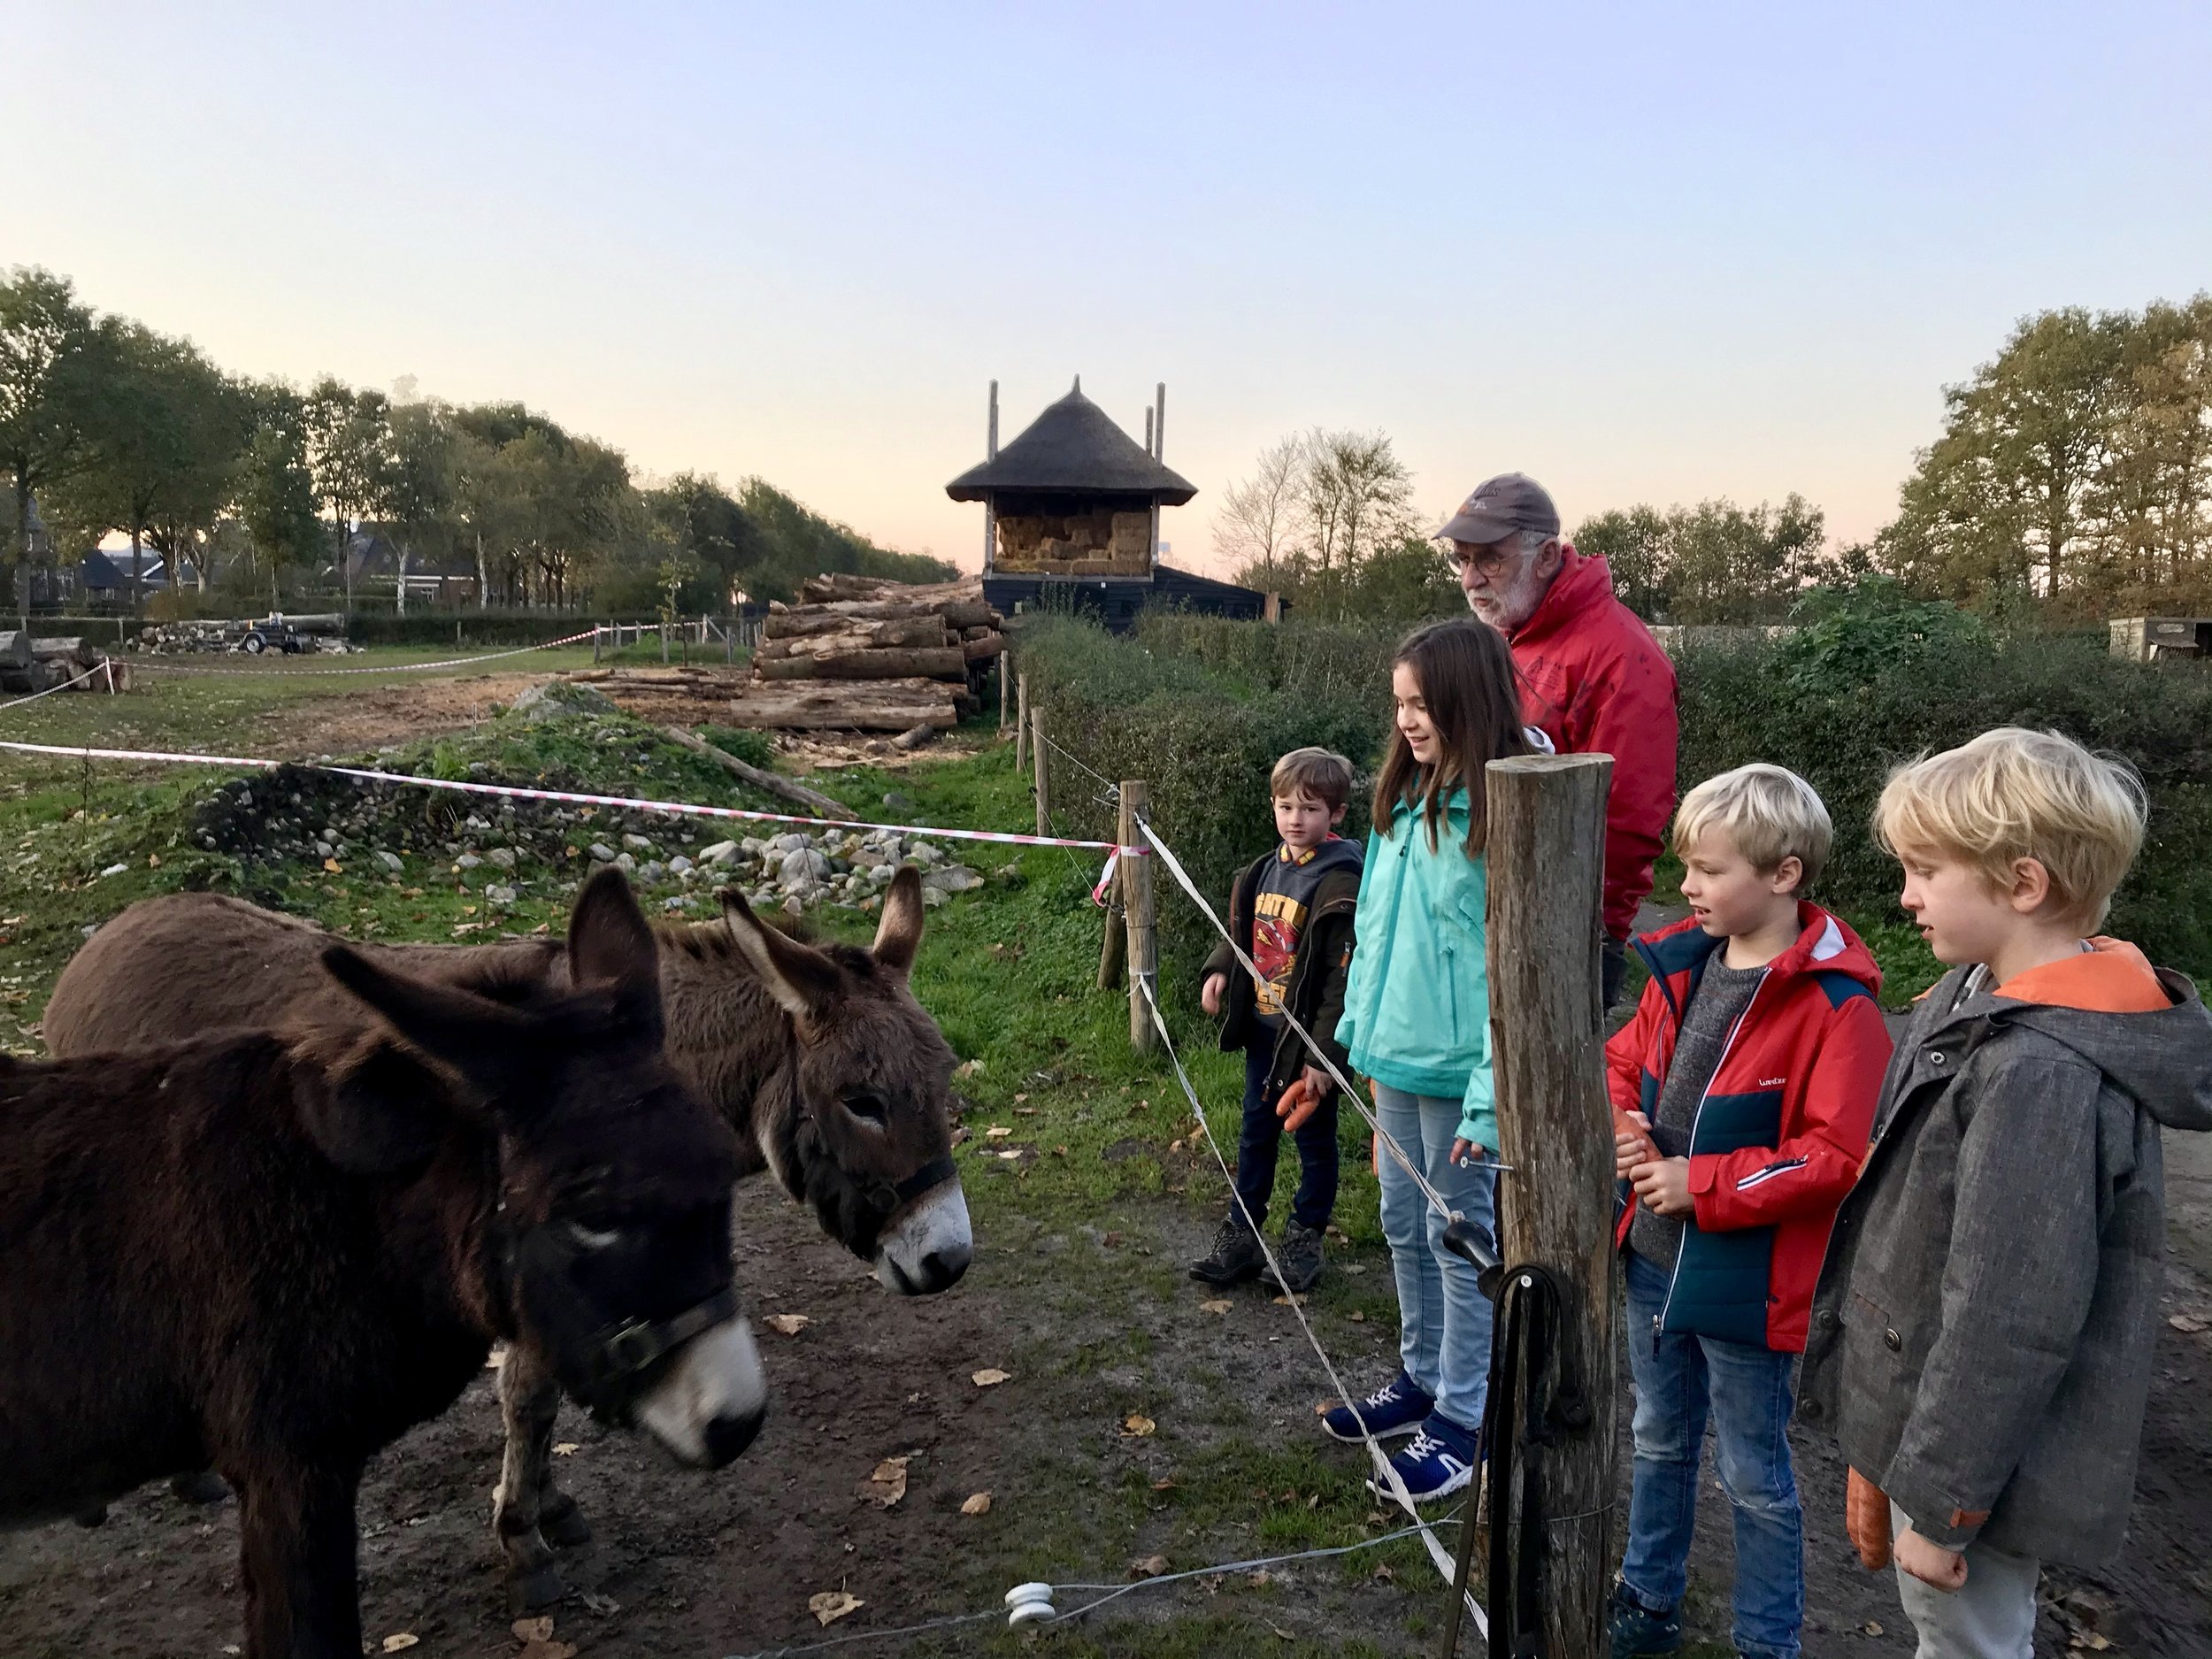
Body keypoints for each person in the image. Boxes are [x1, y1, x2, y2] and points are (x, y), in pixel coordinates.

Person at [1800, 728, 2212, 1659]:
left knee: (1967, 1639)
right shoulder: (1969, 995)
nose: (1903, 894)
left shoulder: (2040, 1073)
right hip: (1932, 1416)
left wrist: (1945, 1504)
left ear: (2021, 885)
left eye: (1921, 870)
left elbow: (2008, 1312)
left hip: (1974, 1453)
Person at [1604, 764, 1891, 1659]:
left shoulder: (1838, 1007)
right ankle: (1647, 1600)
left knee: (1752, 1472)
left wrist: (1705, 1184)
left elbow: (1831, 1157)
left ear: (1783, 874)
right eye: (1684, 866)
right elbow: (1622, 1058)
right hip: (1650, 1258)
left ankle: (1766, 1641)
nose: (1684, 888)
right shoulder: (1679, 965)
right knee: (1656, 1437)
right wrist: (1620, 1119)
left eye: (1707, 870)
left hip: (1750, 1283)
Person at [1318, 618, 1535, 1502]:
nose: (1407, 720)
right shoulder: (1398, 799)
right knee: (1402, 1223)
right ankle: (1418, 1377)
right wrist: (1357, 1048)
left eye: (1423, 704)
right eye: (1399, 703)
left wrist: (1490, 1102)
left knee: (1460, 1238)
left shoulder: (1502, 810)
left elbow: (1507, 970)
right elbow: (1374, 933)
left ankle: (1464, 1415)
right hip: (1392, 1058)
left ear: (1465, 700)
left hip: (1455, 1072)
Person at [1442, 472, 1678, 1009]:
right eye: (1462, 559)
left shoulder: (1622, 657)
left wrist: (1584, 937)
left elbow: (1626, 823)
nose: (1470, 579)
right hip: (1482, 905)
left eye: (1489, 559)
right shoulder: (1507, 635)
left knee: (1541, 1088)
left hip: (1560, 926)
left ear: (1546, 556)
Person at [1189, 746, 1363, 1294]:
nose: (1295, 819)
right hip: (1264, 1037)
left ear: (1335, 815)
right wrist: (1221, 970)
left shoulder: (1342, 884)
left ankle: (1304, 1238)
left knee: (1313, 1143)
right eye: (1286, 806)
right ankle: (1244, 1232)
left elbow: (1343, 983)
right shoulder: (1264, 870)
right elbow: (1243, 932)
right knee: (1255, 1135)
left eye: (1309, 809)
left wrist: (1323, 1059)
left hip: (1308, 1047)